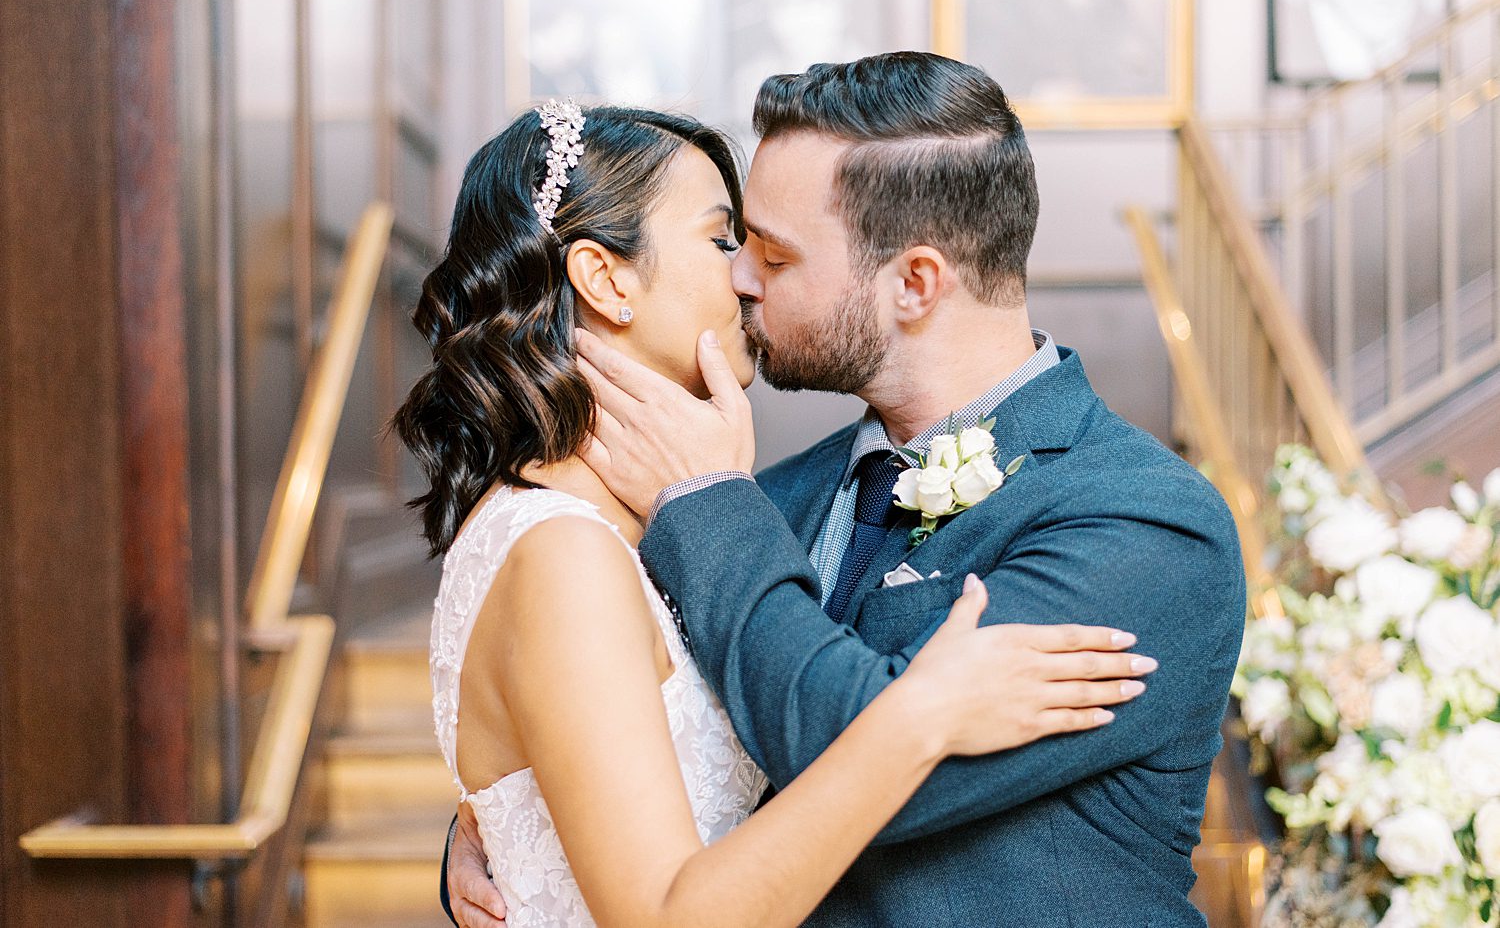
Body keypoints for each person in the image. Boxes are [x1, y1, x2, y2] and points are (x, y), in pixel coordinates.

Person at [446, 52, 1247, 927]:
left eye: (772, 253)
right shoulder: (743, 502)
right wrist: (510, 821)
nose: (743, 277)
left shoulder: (1148, 522)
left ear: (914, 283)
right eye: (730, 240)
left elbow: (848, 752)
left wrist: (710, 503)